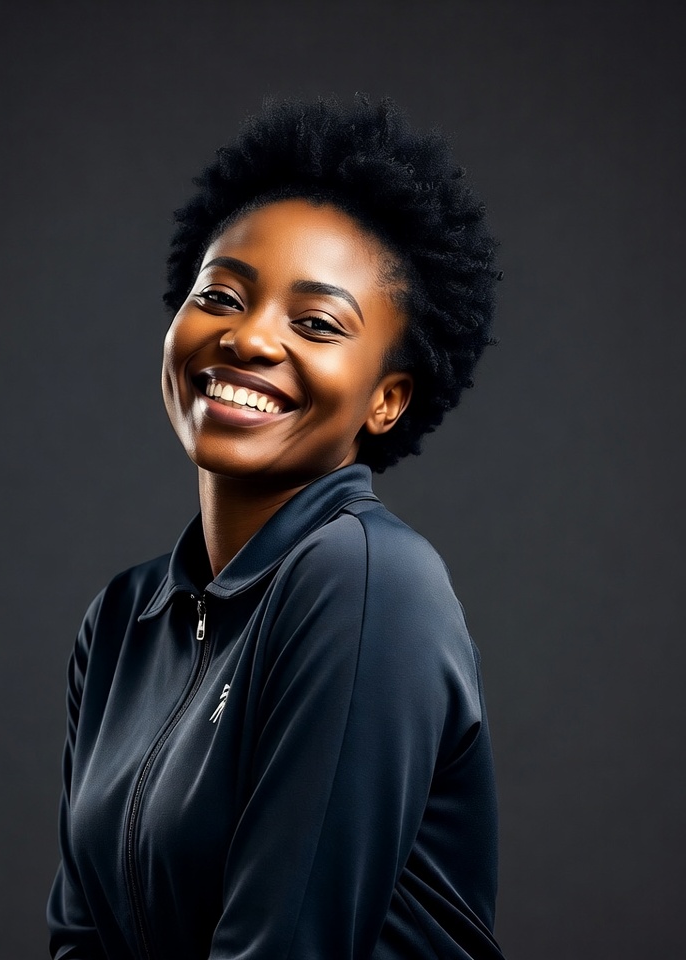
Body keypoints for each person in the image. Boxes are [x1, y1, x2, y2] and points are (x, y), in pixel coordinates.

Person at [47, 95, 505, 960]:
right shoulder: (121, 623)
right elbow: (81, 940)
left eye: (317, 323)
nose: (249, 338)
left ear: (386, 398)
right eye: (221, 295)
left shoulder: (368, 584)